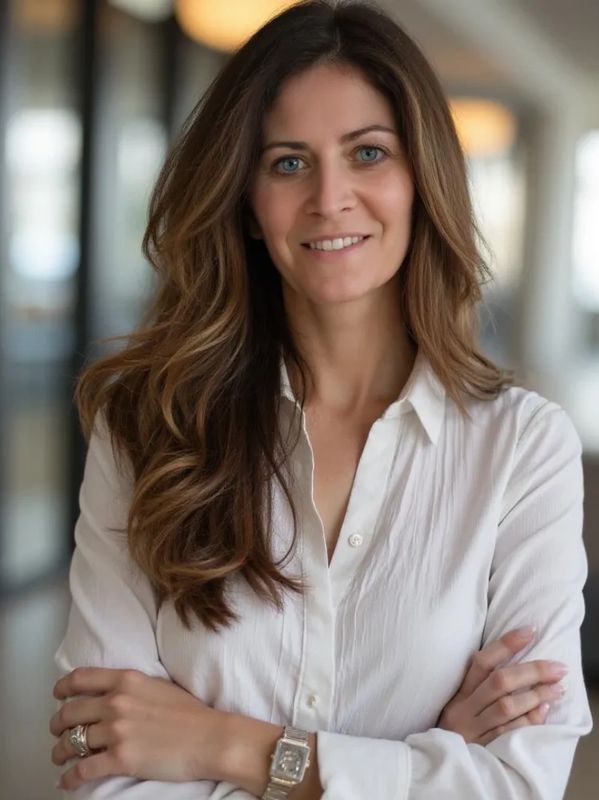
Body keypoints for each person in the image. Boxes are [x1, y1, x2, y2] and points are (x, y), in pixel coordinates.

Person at [48, 1, 592, 797]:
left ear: (422, 178)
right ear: (245, 201)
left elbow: (517, 783)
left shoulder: (521, 448)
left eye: (367, 153)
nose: (329, 198)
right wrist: (424, 760)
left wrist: (224, 745)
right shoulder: (147, 426)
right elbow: (105, 768)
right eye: (288, 162)